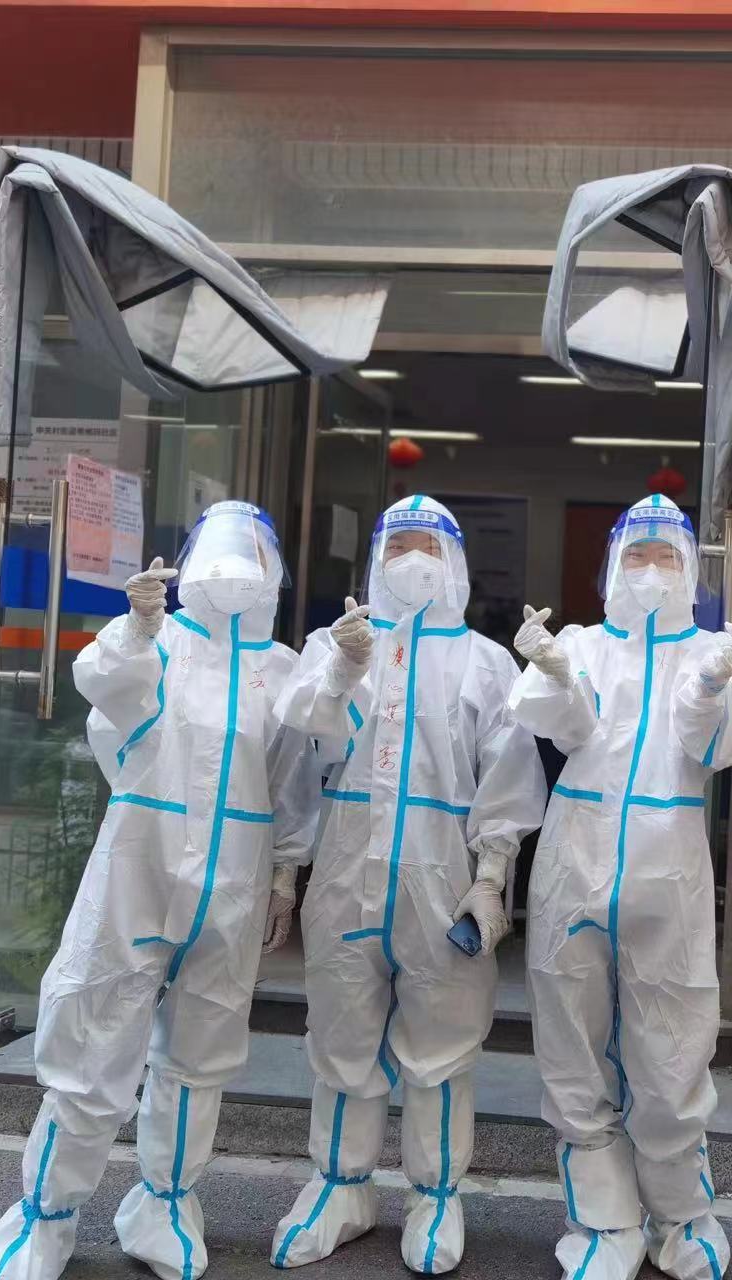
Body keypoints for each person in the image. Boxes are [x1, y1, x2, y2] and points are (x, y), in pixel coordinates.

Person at [0, 500, 320, 1280]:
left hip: (236, 874)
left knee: (202, 1052)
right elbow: (100, 682)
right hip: (139, 862)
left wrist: (285, 876)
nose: (239, 570)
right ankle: (44, 1221)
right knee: (92, 1037)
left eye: (256, 556)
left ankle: (164, 1205)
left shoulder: (282, 666)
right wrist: (135, 627)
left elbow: (293, 777)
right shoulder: (160, 639)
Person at [270, 496, 546, 1274]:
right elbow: (297, 753)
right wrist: (285, 873)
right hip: (343, 869)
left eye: (429, 545)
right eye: (398, 545)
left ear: (454, 562)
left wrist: (490, 877)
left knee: (443, 1041)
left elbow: (508, 778)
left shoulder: (487, 663)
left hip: (441, 874)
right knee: (339, 1033)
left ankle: (435, 1195)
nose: (413, 559)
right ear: (375, 557)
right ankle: (339, 1186)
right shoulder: (332, 644)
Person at [510, 494, 732, 1280]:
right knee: (571, 1040)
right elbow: (566, 729)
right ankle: (600, 1222)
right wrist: (554, 673)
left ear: (689, 569)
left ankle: (683, 1217)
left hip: (668, 859)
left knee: (673, 1047)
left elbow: (712, 749)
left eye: (666, 557)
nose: (651, 571)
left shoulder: (716, 649)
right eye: (637, 556)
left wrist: (710, 685)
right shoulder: (582, 644)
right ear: (613, 566)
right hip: (573, 854)